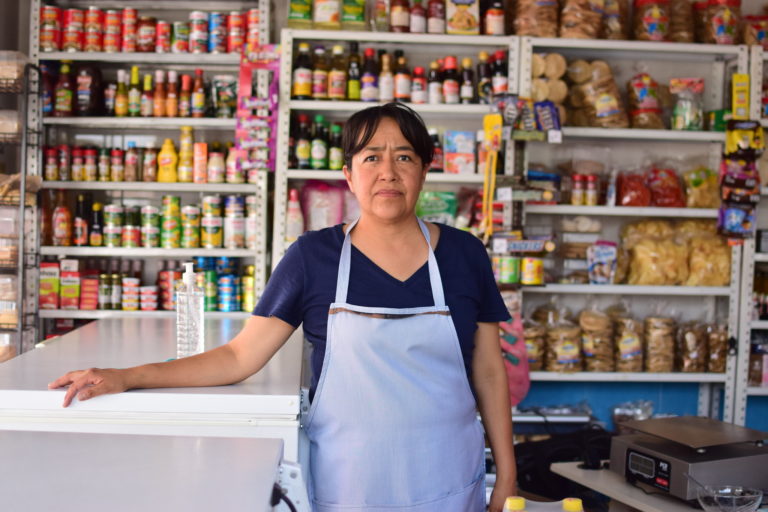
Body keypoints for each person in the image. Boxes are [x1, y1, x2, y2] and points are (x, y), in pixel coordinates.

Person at [49, 103, 517, 511]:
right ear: (349, 175)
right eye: (371, 156)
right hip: (349, 484)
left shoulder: (464, 254)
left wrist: (508, 473)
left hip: (450, 481)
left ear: (424, 170)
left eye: (404, 157)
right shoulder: (312, 257)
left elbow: (490, 371)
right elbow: (238, 357)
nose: (388, 171)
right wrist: (127, 376)